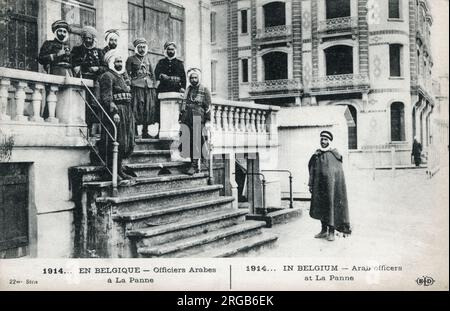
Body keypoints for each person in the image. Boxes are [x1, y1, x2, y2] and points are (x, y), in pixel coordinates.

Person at [98, 51, 135, 180]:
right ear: (111, 63)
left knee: (124, 142)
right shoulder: (107, 76)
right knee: (114, 140)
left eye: (121, 61)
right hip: (116, 113)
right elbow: (107, 96)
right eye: (117, 61)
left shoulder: (122, 77)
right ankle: (111, 171)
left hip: (126, 112)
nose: (119, 64)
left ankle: (119, 170)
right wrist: (114, 112)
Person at [308, 131, 351, 242]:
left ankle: (331, 231)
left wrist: (333, 184)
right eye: (322, 139)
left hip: (331, 188)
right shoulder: (316, 155)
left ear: (330, 141)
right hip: (319, 187)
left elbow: (338, 172)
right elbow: (312, 170)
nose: (323, 142)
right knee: (321, 206)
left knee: (331, 207)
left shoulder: (334, 155)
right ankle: (323, 230)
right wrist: (311, 183)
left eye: (326, 140)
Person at [71, 26, 106, 136]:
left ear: (93, 39)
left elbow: (105, 67)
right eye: (86, 38)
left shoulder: (99, 52)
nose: (88, 40)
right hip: (82, 80)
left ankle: (92, 129)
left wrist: (98, 69)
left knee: (94, 105)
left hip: (95, 82)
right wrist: (77, 66)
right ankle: (82, 128)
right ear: (82, 39)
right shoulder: (77, 50)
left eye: (90, 38)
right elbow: (72, 62)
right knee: (82, 104)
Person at [179, 68, 211, 175]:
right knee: (187, 140)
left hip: (198, 118)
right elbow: (184, 104)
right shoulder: (188, 90)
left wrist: (207, 121)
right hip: (187, 118)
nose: (193, 80)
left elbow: (208, 107)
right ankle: (191, 163)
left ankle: (194, 165)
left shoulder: (204, 90)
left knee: (196, 142)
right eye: (191, 78)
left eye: (195, 77)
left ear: (199, 78)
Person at [126, 38, 158, 139]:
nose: (142, 49)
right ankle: (134, 131)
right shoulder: (131, 59)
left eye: (143, 47)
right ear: (136, 48)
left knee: (148, 109)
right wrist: (130, 83)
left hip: (148, 87)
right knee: (136, 108)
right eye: (140, 47)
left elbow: (152, 74)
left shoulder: (148, 59)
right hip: (137, 87)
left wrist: (154, 85)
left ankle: (145, 131)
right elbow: (127, 73)